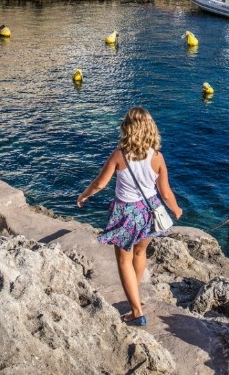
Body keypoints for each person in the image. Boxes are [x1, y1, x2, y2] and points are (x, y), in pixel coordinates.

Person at [77, 107, 182, 328]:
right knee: (140, 252)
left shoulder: (119, 155)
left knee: (124, 260)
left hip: (126, 212)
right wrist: (175, 209)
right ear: (150, 129)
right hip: (149, 211)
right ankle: (135, 297)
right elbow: (165, 192)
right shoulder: (157, 157)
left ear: (127, 129)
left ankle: (136, 312)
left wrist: (84, 195)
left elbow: (100, 183)